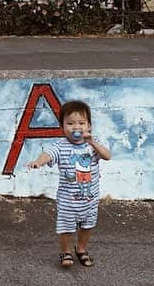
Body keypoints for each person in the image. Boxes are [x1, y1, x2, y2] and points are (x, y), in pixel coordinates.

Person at [26, 100, 111, 268]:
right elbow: (47, 155)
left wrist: (92, 142)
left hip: (89, 199)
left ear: (89, 126)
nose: (76, 127)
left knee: (87, 226)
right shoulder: (60, 146)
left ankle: (81, 249)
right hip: (67, 200)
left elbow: (107, 156)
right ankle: (65, 251)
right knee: (66, 228)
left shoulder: (94, 144)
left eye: (81, 123)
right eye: (70, 123)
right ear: (62, 127)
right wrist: (38, 162)